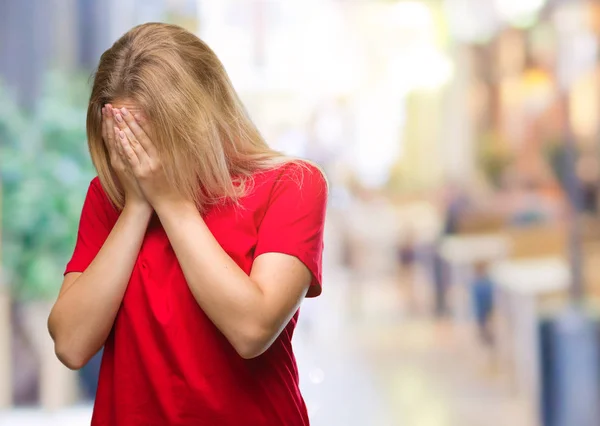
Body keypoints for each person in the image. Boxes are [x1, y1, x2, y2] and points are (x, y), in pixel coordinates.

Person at [47, 23, 327, 426]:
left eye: (147, 134)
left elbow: (252, 330)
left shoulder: (292, 185)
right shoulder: (111, 196)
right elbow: (72, 345)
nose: (136, 152)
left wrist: (171, 201)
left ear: (201, 118)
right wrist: (137, 208)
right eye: (122, 135)